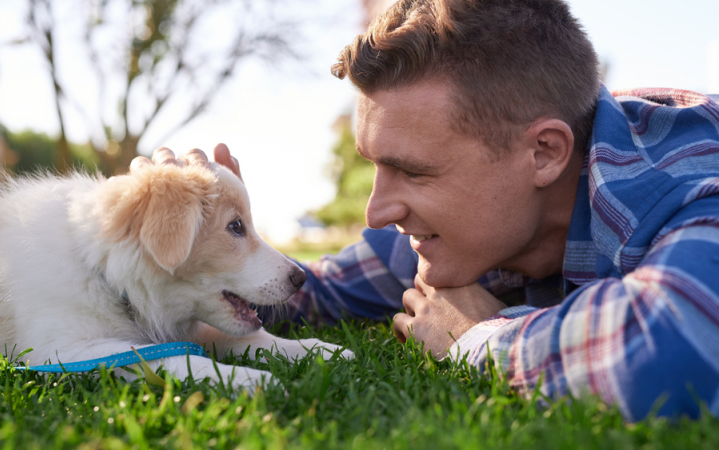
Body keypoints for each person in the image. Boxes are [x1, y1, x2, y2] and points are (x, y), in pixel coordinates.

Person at [134, 0, 719, 421]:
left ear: (544, 153)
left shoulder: (688, 176)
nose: (377, 211)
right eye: (376, 167)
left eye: (413, 171)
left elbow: (677, 349)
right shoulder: (451, 226)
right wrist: (164, 243)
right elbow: (290, 301)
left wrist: (477, 338)